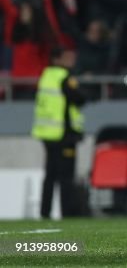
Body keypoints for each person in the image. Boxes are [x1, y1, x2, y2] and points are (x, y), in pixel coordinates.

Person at [32, 48, 87, 219]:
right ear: (57, 59)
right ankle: (67, 212)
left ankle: (44, 212)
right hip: (64, 134)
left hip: (47, 134)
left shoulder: (46, 76)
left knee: (50, 175)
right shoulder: (64, 78)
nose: (71, 60)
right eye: (68, 57)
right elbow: (79, 98)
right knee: (66, 176)